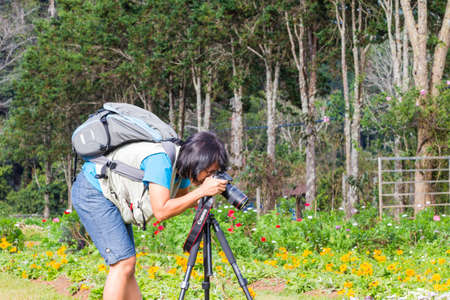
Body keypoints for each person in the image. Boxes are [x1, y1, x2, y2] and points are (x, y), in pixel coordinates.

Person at [71, 131, 229, 300]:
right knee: (122, 263)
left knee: (127, 264)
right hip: (93, 190)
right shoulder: (160, 161)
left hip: (112, 194)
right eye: (209, 172)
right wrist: (202, 191)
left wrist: (201, 196)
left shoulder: (183, 167)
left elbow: (180, 199)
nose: (210, 177)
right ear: (198, 163)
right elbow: (161, 211)